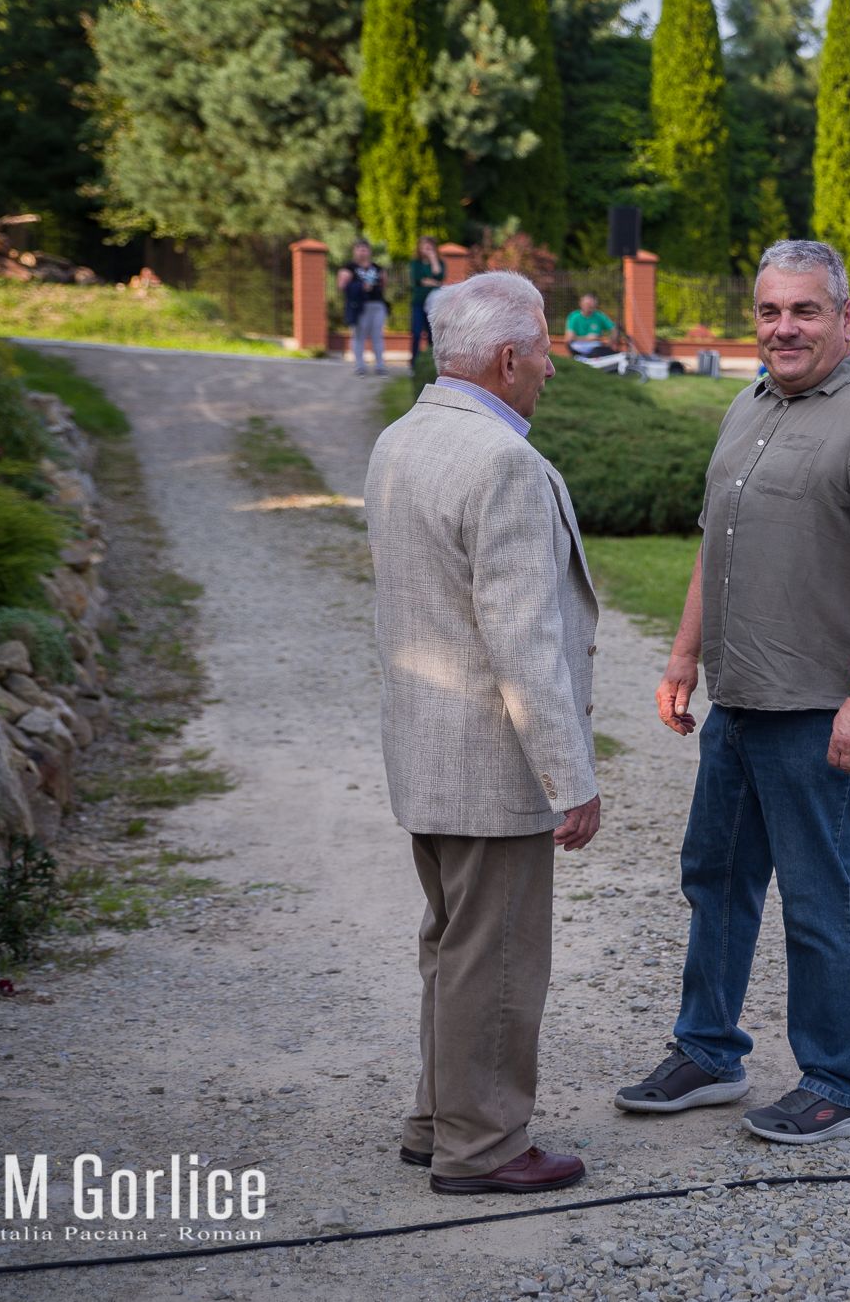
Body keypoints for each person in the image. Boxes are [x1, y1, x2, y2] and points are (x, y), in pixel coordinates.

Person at [616, 240, 850, 1145]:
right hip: (739, 697)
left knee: (817, 893)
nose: (783, 328)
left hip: (819, 708)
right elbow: (714, 545)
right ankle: (709, 1051)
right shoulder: (746, 405)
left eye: (804, 310)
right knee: (715, 878)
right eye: (769, 311)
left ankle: (840, 1081)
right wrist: (683, 659)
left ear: (846, 318)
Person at [363, 271, 600, 1195]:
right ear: (508, 360)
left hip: (425, 753)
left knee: (452, 944)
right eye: (543, 347)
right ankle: (485, 1145)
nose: (550, 365)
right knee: (496, 956)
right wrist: (569, 775)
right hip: (492, 763)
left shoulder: (402, 436)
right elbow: (523, 638)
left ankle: (437, 1118)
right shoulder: (500, 460)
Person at [339, 242, 389, 377]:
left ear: (369, 252)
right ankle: (360, 366)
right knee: (359, 336)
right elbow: (342, 286)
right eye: (359, 250)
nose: (362, 252)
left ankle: (380, 366)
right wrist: (359, 287)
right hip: (360, 306)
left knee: (377, 336)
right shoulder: (349, 268)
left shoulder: (378, 268)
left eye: (365, 250)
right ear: (355, 252)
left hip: (377, 305)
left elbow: (384, 284)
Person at [407, 236, 445, 365]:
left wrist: (433, 259)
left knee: (432, 335)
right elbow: (418, 279)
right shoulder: (415, 263)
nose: (427, 249)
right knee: (416, 333)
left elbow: (439, 276)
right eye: (425, 246)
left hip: (434, 305)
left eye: (430, 246)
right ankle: (414, 363)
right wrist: (433, 281)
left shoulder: (440, 262)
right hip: (418, 302)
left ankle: (432, 363)